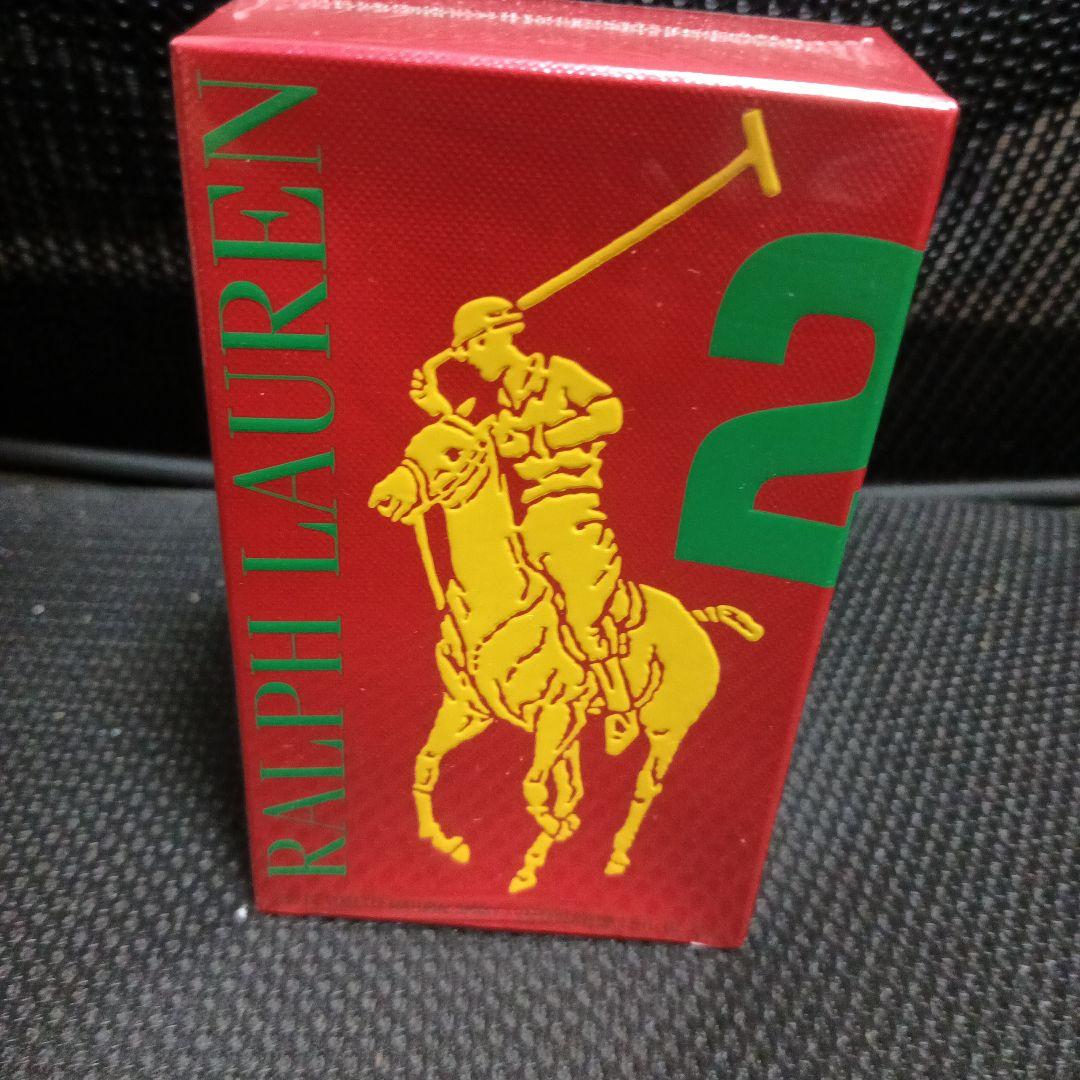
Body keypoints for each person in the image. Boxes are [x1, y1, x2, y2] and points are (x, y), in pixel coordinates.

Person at [410, 296, 625, 672]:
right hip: (525, 516)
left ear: (488, 339)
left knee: (576, 587)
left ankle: (595, 650)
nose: (470, 362)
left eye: (471, 351)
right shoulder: (500, 406)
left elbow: (609, 414)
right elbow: (469, 451)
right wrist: (437, 409)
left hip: (569, 504)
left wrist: (538, 441)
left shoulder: (556, 374)